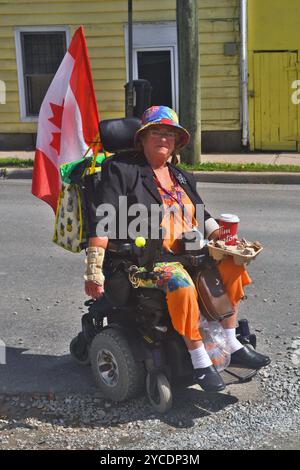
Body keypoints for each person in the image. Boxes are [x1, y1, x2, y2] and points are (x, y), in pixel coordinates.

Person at [84, 105, 270, 393]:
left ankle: (231, 342)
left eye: (169, 134)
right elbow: (103, 220)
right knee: (179, 282)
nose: (163, 138)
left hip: (189, 254)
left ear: (177, 141)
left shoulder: (182, 176)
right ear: (142, 138)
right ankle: (199, 360)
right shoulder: (121, 170)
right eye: (156, 132)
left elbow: (201, 213)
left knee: (233, 265)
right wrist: (94, 269)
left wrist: (223, 237)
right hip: (142, 260)